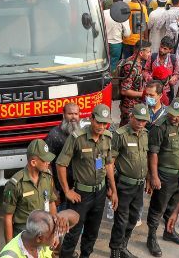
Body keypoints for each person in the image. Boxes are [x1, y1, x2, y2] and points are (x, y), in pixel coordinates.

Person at [55, 103, 116, 258]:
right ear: (91, 119)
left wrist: (112, 189)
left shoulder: (107, 137)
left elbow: (108, 163)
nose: (101, 126)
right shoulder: (77, 138)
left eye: (104, 123)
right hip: (81, 195)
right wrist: (67, 191)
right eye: (98, 122)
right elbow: (61, 164)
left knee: (92, 232)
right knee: (73, 234)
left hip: (100, 193)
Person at [145, 97, 179, 257]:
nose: (173, 117)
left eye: (177, 114)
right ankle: (151, 237)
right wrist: (154, 176)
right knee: (158, 208)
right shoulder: (160, 126)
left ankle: (169, 231)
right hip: (165, 174)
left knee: (173, 206)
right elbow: (153, 153)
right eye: (172, 113)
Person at [109, 103, 150, 258]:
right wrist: (111, 187)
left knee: (134, 218)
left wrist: (148, 178)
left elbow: (145, 158)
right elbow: (110, 162)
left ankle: (123, 246)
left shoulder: (145, 134)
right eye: (138, 119)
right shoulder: (120, 135)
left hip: (139, 185)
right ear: (131, 117)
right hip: (123, 185)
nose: (140, 123)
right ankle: (115, 251)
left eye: (144, 120)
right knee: (121, 220)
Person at [3, 139, 58, 241]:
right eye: (44, 160)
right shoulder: (15, 184)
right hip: (25, 233)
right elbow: (8, 217)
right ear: (33, 162)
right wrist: (10, 246)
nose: (48, 163)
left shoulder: (47, 177)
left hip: (44, 230)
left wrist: (54, 232)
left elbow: (51, 203)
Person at [0, 209, 80, 258]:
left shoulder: (38, 239)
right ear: (39, 238)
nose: (56, 235)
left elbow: (76, 218)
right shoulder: (9, 256)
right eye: (53, 233)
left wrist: (62, 215)